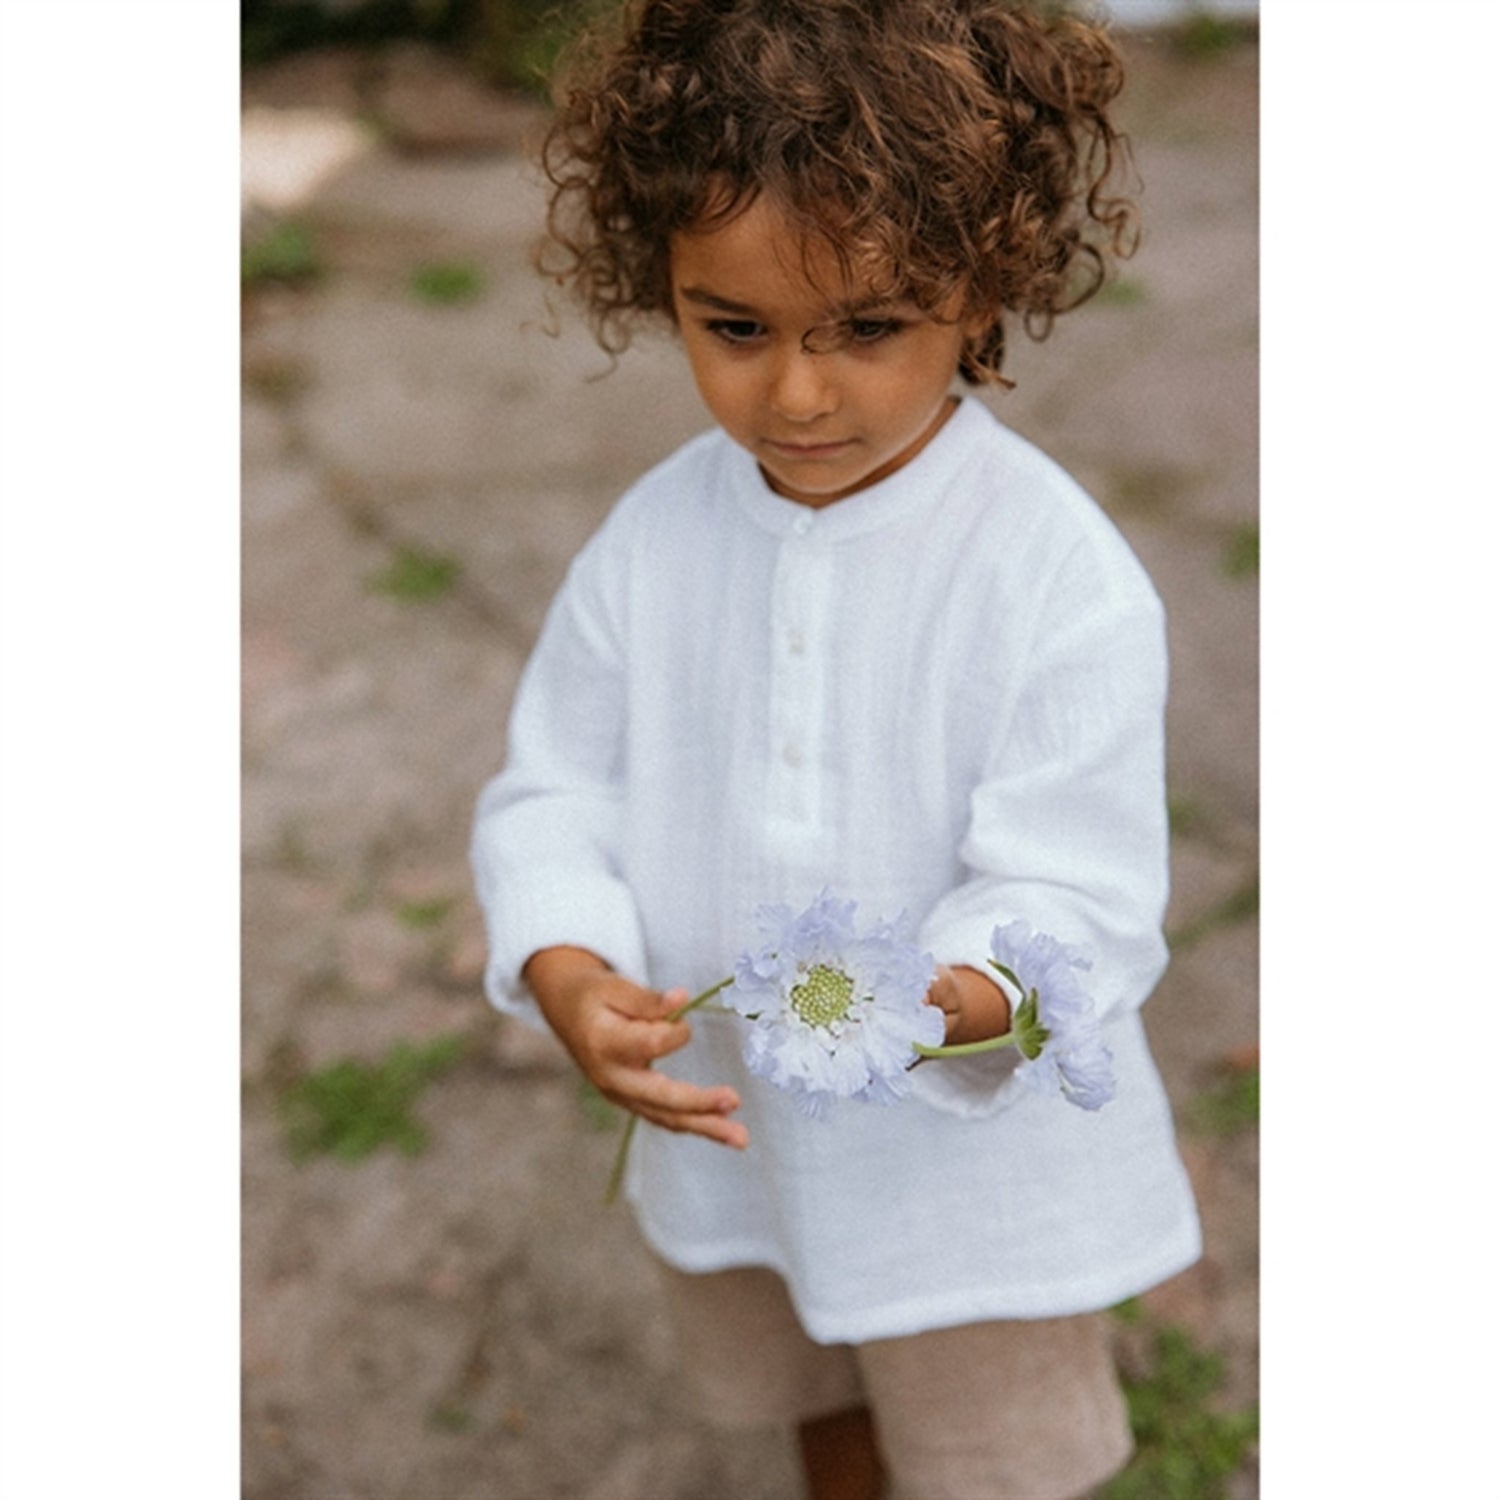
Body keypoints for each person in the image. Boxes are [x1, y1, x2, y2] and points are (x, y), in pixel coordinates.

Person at [471, 2, 1202, 1495]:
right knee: (814, 1396)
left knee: (995, 1462)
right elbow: (556, 787)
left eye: (866, 328)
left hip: (965, 1185)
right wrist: (568, 967)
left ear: (983, 287)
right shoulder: (654, 540)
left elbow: (1078, 891)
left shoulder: (1053, 577)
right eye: (735, 328)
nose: (796, 394)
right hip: (741, 1137)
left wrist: (949, 999)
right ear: (662, 287)